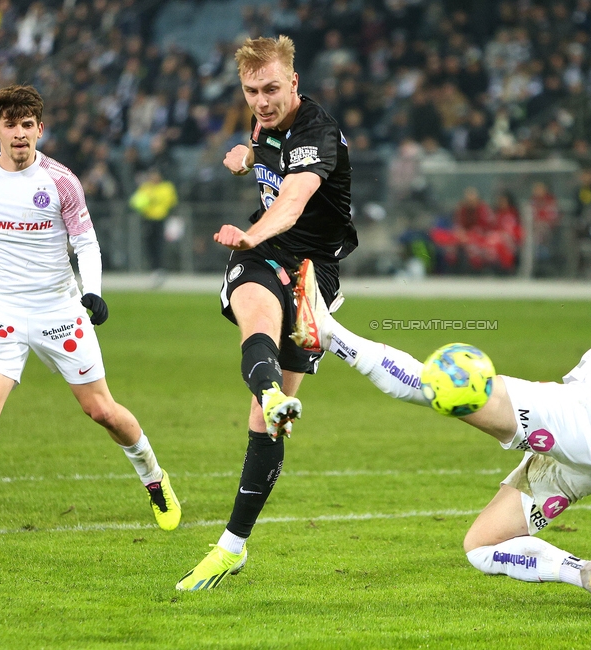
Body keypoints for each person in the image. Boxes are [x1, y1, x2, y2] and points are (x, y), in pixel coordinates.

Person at [293, 69, 591, 614]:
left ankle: (327, 333)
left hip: (589, 413)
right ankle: (586, 572)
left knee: (444, 386)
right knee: (480, 545)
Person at [0, 85, 181, 542]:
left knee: (101, 411)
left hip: (58, 312)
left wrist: (91, 292)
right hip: (1, 314)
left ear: (40, 129)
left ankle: (156, 479)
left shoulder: (60, 181)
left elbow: (86, 241)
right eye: (10, 125)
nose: (19, 134)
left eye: (28, 125)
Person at [175, 36, 356, 591]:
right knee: (254, 311)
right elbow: (267, 153)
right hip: (263, 256)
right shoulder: (263, 122)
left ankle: (232, 547)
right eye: (252, 91)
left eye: (272, 88)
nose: (262, 100)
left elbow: (296, 198)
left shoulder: (319, 133)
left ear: (294, 83)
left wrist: (249, 230)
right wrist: (247, 155)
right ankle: (274, 394)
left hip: (314, 274)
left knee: (260, 428)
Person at [129, 167, 178, 275]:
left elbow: (171, 202)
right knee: (150, 244)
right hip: (148, 220)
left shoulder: (167, 187)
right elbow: (135, 201)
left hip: (162, 219)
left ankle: (163, 267)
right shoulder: (146, 187)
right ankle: (154, 268)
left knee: (161, 245)